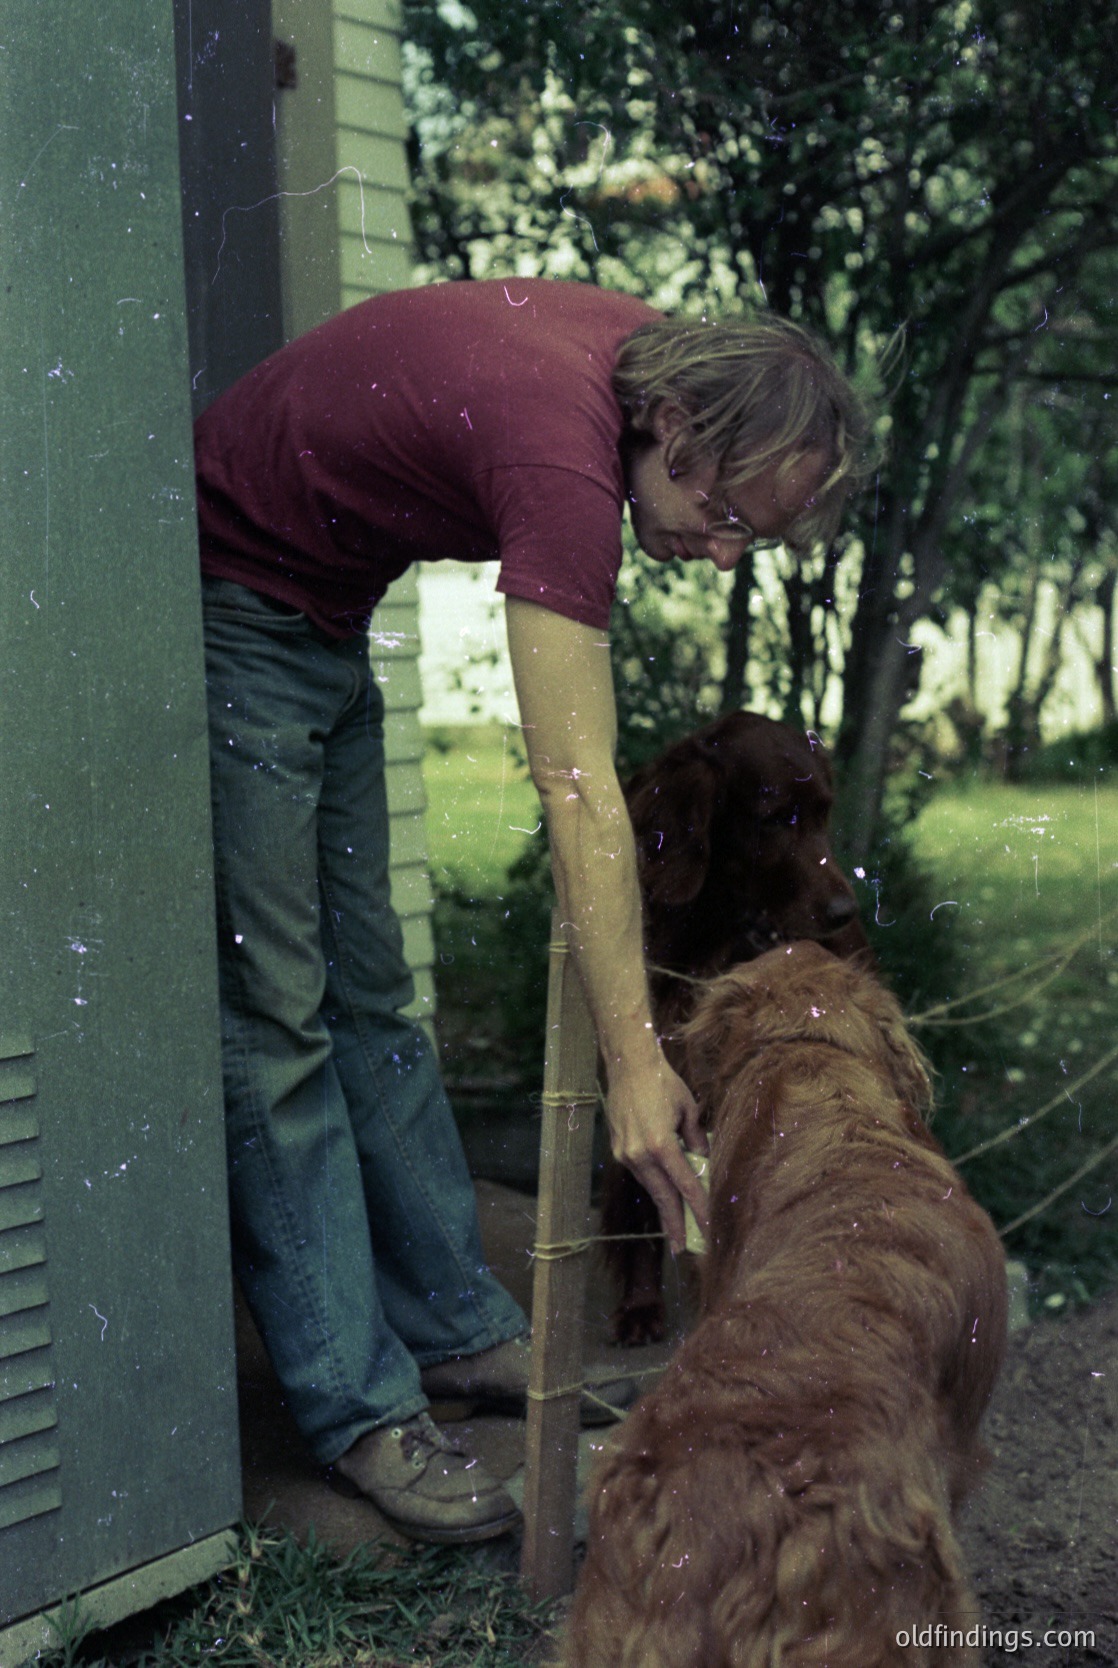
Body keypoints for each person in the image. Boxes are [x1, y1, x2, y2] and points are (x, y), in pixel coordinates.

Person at [194, 277, 872, 1543]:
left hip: (318, 615)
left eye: (754, 542)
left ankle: (453, 1333)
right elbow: (579, 796)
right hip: (235, 602)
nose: (723, 553)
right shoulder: (562, 455)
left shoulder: (646, 372)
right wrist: (632, 1062)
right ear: (673, 430)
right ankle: (356, 1406)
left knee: (371, 998)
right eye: (725, 515)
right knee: (276, 1019)